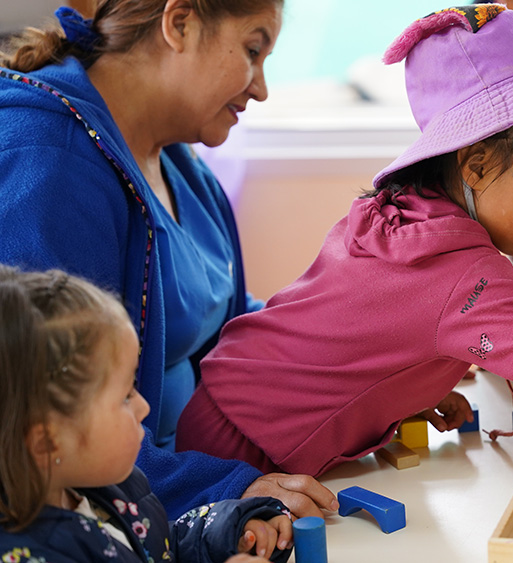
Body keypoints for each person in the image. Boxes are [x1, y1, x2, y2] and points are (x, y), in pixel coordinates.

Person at [174, 4, 513, 477]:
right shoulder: (463, 274)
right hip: (241, 454)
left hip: (222, 404)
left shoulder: (394, 216)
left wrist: (406, 390)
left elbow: (348, 336)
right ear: (476, 166)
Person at [0, 1, 336, 520]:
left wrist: (362, 370)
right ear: (179, 23)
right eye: (252, 50)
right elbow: (54, 416)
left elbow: (232, 323)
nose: (261, 87)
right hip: (137, 512)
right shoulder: (51, 164)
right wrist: (223, 489)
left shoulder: (175, 155)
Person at [0, 265, 293, 562]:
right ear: (47, 442)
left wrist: (230, 532)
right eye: (125, 397)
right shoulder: (28, 555)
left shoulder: (108, 488)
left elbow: (161, 549)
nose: (143, 407)